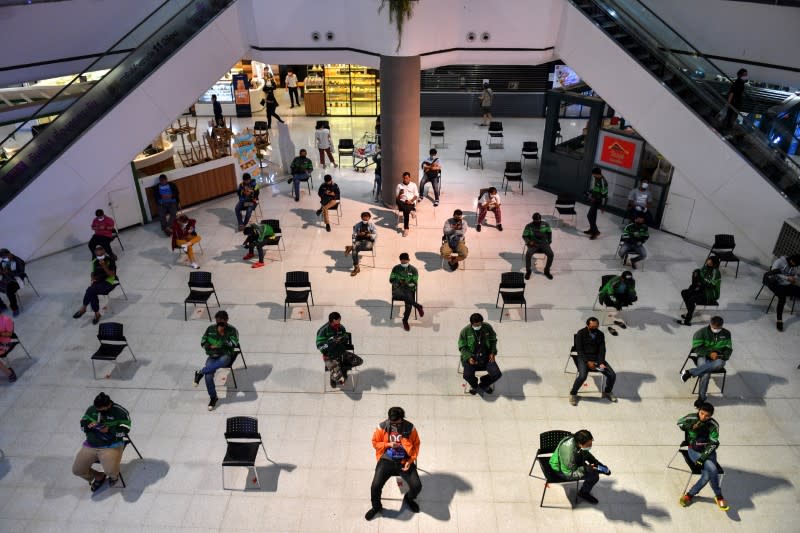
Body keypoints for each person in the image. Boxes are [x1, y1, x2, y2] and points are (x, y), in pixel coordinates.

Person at [365, 406, 422, 520]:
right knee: (375, 486)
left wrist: (410, 461)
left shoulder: (410, 428)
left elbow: (416, 445)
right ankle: (376, 507)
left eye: (396, 422)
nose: (393, 424)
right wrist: (388, 445)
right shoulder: (382, 427)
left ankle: (409, 498)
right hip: (387, 460)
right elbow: (375, 443)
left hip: (404, 461)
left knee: (417, 486)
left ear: (401, 418)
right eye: (391, 421)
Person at [72, 392, 131, 491]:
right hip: (91, 445)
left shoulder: (120, 412)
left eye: (101, 409)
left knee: (110, 471)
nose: (98, 411)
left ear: (108, 405)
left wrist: (109, 429)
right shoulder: (92, 409)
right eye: (97, 409)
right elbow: (83, 424)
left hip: (111, 445)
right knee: (77, 470)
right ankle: (98, 476)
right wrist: (87, 425)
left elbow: (125, 430)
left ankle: (114, 477)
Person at [677, 402, 729, 510]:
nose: (703, 417)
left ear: (711, 416)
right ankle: (719, 496)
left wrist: (702, 458)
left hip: (709, 452)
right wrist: (691, 426)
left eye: (707, 416)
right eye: (701, 413)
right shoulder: (691, 417)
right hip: (694, 451)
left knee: (707, 475)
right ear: (699, 411)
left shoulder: (714, 425)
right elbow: (679, 423)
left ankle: (689, 495)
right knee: (713, 470)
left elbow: (714, 443)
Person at [681, 316, 732, 407]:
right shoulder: (700, 333)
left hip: (718, 359)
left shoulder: (727, 333)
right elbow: (696, 348)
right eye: (714, 328)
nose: (716, 330)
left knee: (720, 363)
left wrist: (721, 356)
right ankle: (701, 398)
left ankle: (690, 372)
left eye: (719, 328)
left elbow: (728, 349)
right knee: (705, 374)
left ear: (722, 326)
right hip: (703, 356)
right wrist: (709, 353)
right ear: (710, 324)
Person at [549, 429, 610, 505]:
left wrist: (598, 464)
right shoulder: (568, 455)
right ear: (580, 443)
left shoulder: (576, 440)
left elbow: (586, 453)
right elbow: (569, 473)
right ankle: (583, 493)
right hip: (562, 470)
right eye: (588, 445)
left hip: (570, 463)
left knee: (594, 469)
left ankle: (598, 470)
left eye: (591, 443)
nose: (590, 446)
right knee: (594, 476)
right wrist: (584, 469)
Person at [194, 310, 239, 411]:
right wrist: (209, 346)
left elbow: (234, 344)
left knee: (223, 361)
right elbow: (202, 341)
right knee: (208, 376)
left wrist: (223, 335)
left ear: (227, 320)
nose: (219, 323)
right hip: (212, 355)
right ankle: (213, 397)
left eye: (222, 322)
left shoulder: (232, 330)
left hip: (225, 355)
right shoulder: (210, 329)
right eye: (218, 321)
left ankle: (200, 372)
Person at [569, 318, 617, 405]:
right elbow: (579, 350)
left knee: (612, 375)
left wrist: (600, 362)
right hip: (584, 358)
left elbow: (602, 350)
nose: (594, 328)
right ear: (588, 325)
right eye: (592, 326)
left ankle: (608, 391)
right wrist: (588, 362)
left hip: (596, 358)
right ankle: (573, 393)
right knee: (582, 376)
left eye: (596, 326)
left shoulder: (600, 334)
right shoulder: (581, 333)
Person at [316, 312, 364, 388]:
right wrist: (331, 342)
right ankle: (333, 377)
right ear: (333, 320)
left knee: (359, 361)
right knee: (338, 378)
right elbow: (319, 346)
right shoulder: (323, 330)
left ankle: (342, 370)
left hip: (341, 353)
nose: (340, 322)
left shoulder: (341, 327)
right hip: (329, 356)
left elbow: (345, 336)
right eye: (338, 320)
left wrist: (343, 339)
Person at [72, 245, 118, 325]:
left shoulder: (110, 260)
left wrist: (104, 265)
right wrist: (92, 278)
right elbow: (92, 272)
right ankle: (97, 314)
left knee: (90, 290)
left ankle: (84, 308)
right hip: (98, 282)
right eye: (98, 255)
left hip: (109, 282)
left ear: (104, 252)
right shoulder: (94, 261)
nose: (99, 256)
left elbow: (112, 275)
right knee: (92, 292)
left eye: (101, 254)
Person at [458, 313, 502, 395]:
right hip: (472, 358)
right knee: (467, 375)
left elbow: (493, 340)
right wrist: (468, 357)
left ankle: (484, 383)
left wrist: (492, 352)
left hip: (486, 356)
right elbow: (462, 347)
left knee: (497, 374)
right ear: (471, 323)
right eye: (476, 325)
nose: (478, 326)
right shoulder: (465, 331)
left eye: (480, 324)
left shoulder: (487, 327)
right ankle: (474, 385)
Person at [678, 256, 721, 326]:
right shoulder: (705, 267)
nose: (708, 261)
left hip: (710, 293)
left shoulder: (716, 272)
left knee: (691, 299)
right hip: (702, 289)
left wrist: (700, 284)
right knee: (684, 293)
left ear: (714, 263)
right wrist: (695, 273)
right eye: (708, 260)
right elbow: (700, 273)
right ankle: (690, 312)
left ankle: (687, 321)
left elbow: (710, 284)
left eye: (710, 261)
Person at [765, 254, 800, 332]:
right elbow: (773, 273)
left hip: (786, 284)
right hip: (774, 283)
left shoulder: (795, 264)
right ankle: (779, 320)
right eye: (794, 264)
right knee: (782, 298)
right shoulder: (779, 262)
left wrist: (794, 278)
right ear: (791, 260)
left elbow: (796, 274)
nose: (794, 266)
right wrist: (787, 278)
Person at [390, 253, 424, 331]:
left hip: (409, 290)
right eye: (402, 262)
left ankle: (405, 320)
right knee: (407, 297)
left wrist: (406, 283)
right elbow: (391, 279)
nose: (404, 263)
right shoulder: (396, 268)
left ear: (409, 260)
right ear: (400, 261)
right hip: (397, 290)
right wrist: (399, 281)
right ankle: (417, 306)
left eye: (405, 262)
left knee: (409, 306)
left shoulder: (413, 270)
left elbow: (414, 282)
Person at [522, 212, 553, 280]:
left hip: (544, 243)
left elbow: (549, 232)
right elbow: (524, 236)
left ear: (540, 219)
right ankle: (528, 271)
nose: (537, 222)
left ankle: (546, 270)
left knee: (551, 254)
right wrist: (529, 242)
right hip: (533, 244)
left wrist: (549, 241)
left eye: (538, 220)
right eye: (535, 221)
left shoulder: (545, 224)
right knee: (528, 254)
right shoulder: (529, 226)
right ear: (533, 220)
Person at [345, 212, 377, 277]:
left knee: (355, 247)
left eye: (366, 219)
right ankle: (356, 268)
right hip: (359, 241)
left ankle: (351, 247)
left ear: (369, 218)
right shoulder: (357, 225)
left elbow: (375, 235)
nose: (365, 220)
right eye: (364, 219)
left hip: (369, 242)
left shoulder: (372, 225)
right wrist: (358, 234)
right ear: (361, 218)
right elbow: (353, 235)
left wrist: (369, 235)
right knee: (354, 251)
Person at [0, 249, 26, 317]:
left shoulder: (18, 261)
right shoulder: (3, 261)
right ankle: (2, 306)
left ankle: (15, 308)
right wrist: (2, 272)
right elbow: (2, 271)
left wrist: (9, 273)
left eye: (4, 257)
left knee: (9, 290)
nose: (3, 258)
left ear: (9, 254)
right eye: (2, 258)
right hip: (6, 280)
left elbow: (21, 274)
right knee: (6, 286)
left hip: (17, 281)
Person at [585, 167, 608, 239]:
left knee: (589, 215)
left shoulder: (603, 182)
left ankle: (596, 232)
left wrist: (603, 207)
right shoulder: (597, 179)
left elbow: (604, 195)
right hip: (594, 200)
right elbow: (596, 189)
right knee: (593, 216)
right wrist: (590, 192)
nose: (593, 175)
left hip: (598, 201)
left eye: (594, 174)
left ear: (597, 174)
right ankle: (592, 229)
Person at [395, 172, 419, 237]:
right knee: (397, 201)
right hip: (402, 202)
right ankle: (411, 211)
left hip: (410, 203)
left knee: (405, 211)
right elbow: (397, 197)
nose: (405, 179)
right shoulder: (399, 185)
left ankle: (406, 229)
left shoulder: (413, 185)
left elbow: (416, 195)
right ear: (402, 178)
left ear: (409, 178)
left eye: (407, 178)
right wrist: (400, 193)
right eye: (404, 178)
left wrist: (411, 201)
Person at [0, 313, 18, 382]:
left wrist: (0, 333)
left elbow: (10, 334)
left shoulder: (6, 320)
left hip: (5, 343)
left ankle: (10, 373)